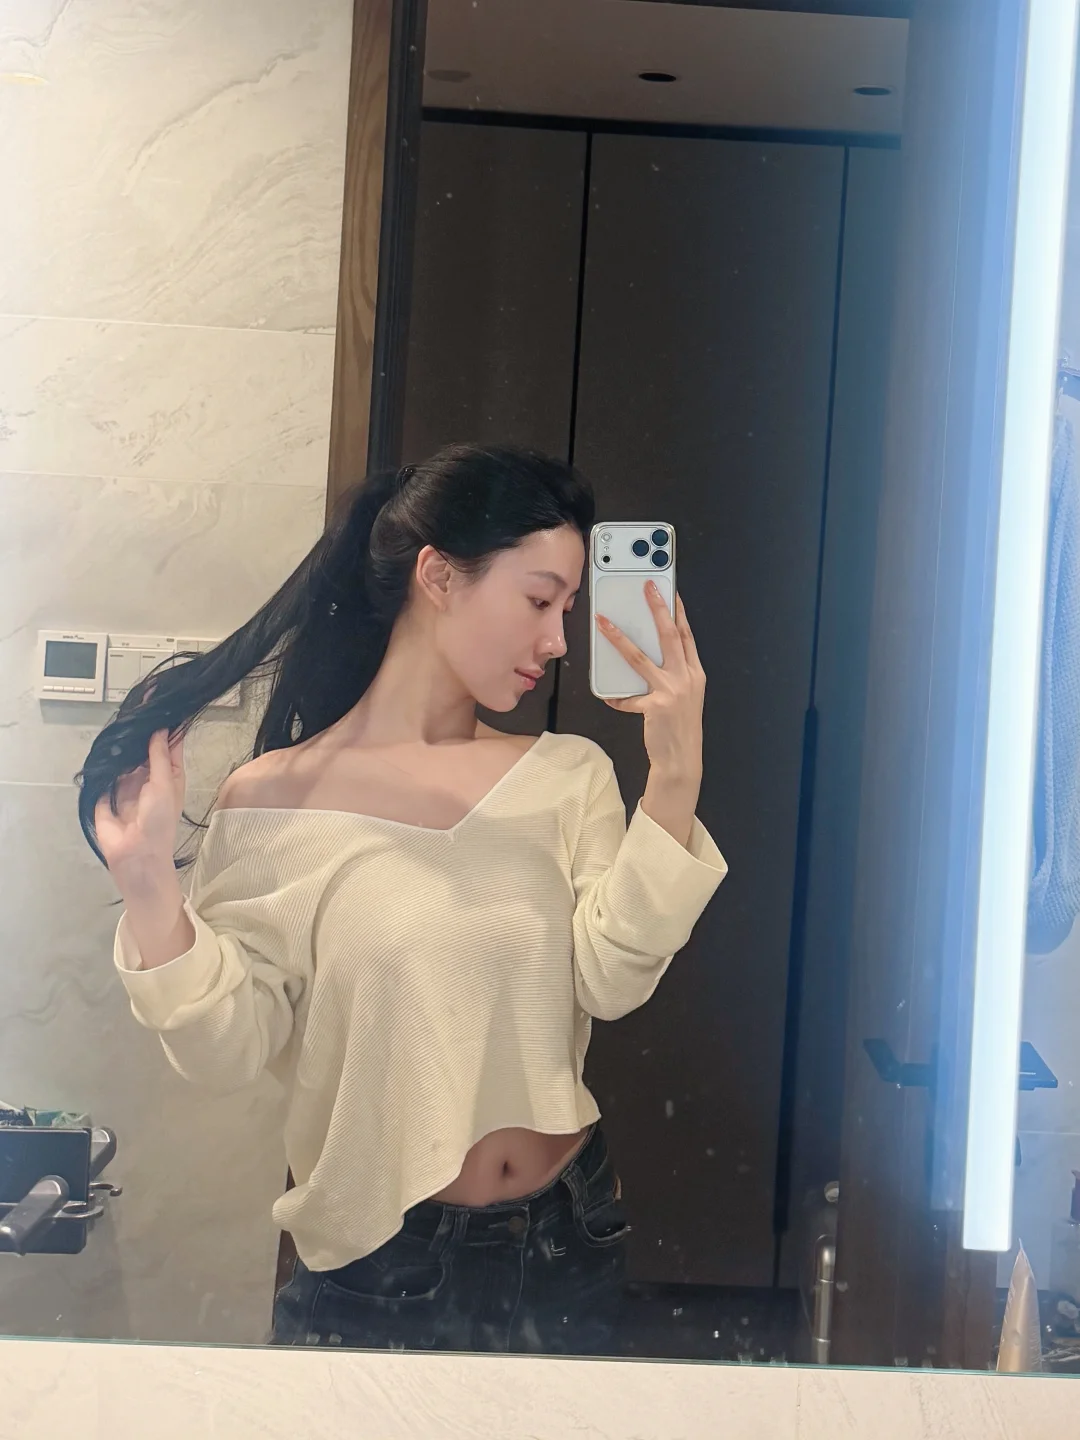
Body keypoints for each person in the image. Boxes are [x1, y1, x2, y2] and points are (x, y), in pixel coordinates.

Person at [77, 443, 727, 1356]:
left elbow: (611, 980)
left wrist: (676, 775)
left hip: (568, 1236)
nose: (557, 641)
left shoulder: (566, 776)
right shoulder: (274, 799)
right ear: (438, 576)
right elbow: (229, 1048)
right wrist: (148, 887)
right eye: (539, 600)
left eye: (569, 609)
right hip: (377, 1264)